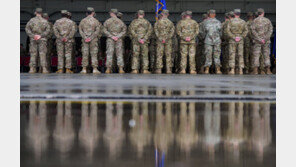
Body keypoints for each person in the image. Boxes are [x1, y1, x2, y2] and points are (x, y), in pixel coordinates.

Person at [25, 8, 51, 74]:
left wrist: (33, 36)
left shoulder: (31, 20)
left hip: (33, 39)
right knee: (42, 54)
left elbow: (27, 29)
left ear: (35, 12)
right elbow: (48, 30)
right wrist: (41, 36)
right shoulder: (45, 21)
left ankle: (32, 69)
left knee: (33, 54)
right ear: (41, 13)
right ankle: (44, 69)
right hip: (42, 39)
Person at [79, 7, 103, 74]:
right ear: (93, 13)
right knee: (94, 54)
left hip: (85, 40)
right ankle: (94, 69)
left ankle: (84, 69)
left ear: (86, 13)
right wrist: (91, 38)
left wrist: (85, 38)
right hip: (93, 40)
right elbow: (97, 31)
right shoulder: (96, 21)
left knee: (85, 54)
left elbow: (80, 30)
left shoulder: (82, 21)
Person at [103, 9, 127, 74]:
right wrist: (118, 36)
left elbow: (104, 30)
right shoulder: (121, 22)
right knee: (119, 54)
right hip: (118, 40)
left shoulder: (107, 21)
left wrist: (111, 36)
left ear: (111, 13)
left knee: (109, 54)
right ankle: (121, 69)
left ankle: (108, 69)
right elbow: (124, 31)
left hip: (110, 40)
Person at [250, 8, 273, 75]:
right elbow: (270, 30)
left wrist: (259, 39)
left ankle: (256, 70)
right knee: (266, 55)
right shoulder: (267, 20)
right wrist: (265, 38)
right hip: (266, 41)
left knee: (256, 55)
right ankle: (268, 70)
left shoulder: (254, 21)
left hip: (257, 41)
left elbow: (253, 31)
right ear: (263, 13)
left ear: (258, 13)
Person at [225, 9, 248, 75]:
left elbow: (227, 31)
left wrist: (233, 37)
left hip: (232, 40)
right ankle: (240, 70)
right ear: (239, 14)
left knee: (232, 54)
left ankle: (232, 69)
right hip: (240, 40)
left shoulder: (230, 21)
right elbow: (246, 31)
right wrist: (240, 37)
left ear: (234, 14)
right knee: (240, 55)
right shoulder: (243, 22)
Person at [200, 9, 222, 74]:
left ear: (208, 14)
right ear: (215, 14)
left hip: (208, 41)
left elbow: (202, 32)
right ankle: (218, 70)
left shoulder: (205, 22)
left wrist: (203, 39)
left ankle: (207, 69)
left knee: (208, 55)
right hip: (217, 41)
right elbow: (221, 33)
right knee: (217, 55)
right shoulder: (218, 22)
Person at [154, 10, 175, 74]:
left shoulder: (157, 22)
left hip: (160, 41)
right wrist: (167, 38)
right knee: (168, 55)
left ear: (162, 14)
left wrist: (161, 38)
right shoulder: (171, 23)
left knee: (159, 55)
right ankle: (168, 69)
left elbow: (156, 31)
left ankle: (159, 69)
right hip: (168, 41)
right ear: (168, 14)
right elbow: (172, 32)